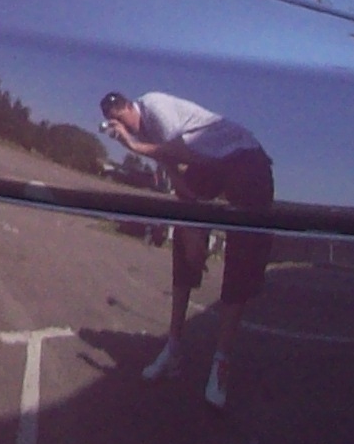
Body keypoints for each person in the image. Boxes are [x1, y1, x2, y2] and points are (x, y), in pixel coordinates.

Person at [102, 90, 274, 408]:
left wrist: (135, 146)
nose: (124, 128)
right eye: (115, 125)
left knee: (241, 257)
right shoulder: (150, 137)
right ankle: (173, 348)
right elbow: (182, 185)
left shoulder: (155, 107)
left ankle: (221, 363)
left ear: (129, 107)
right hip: (211, 163)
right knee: (184, 244)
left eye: (121, 119)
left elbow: (185, 154)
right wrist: (192, 230)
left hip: (245, 159)